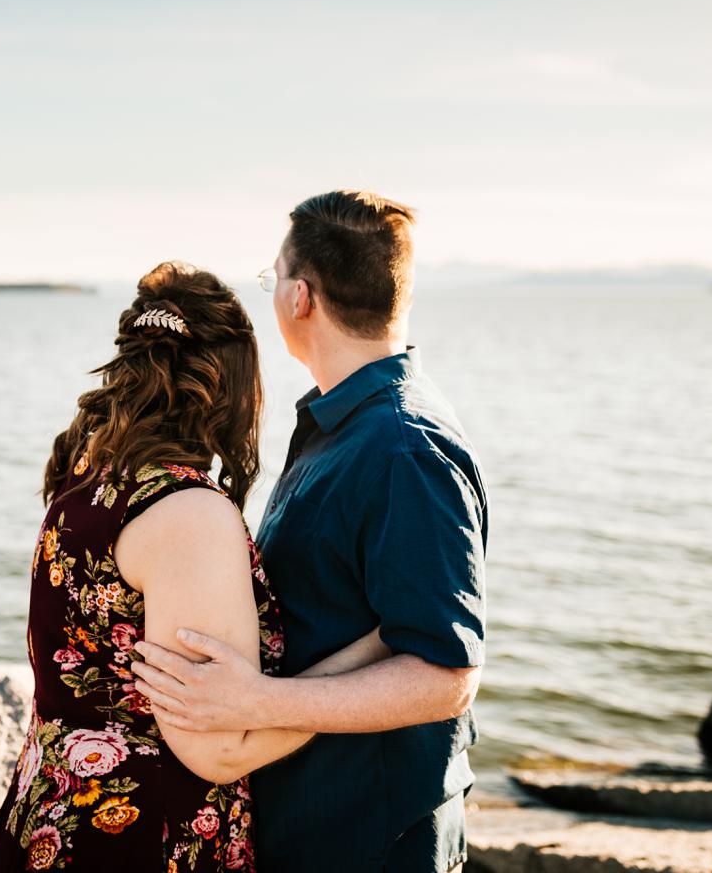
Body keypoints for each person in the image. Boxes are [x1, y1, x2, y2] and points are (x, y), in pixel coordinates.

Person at [0, 261, 395, 873]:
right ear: (231, 385)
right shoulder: (188, 515)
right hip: (140, 837)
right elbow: (221, 750)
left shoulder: (86, 476)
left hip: (47, 818)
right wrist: (377, 648)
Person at [131, 191, 488, 873]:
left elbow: (446, 673)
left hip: (371, 834)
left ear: (300, 296)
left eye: (271, 280)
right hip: (315, 818)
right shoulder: (345, 423)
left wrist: (256, 700)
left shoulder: (403, 448)